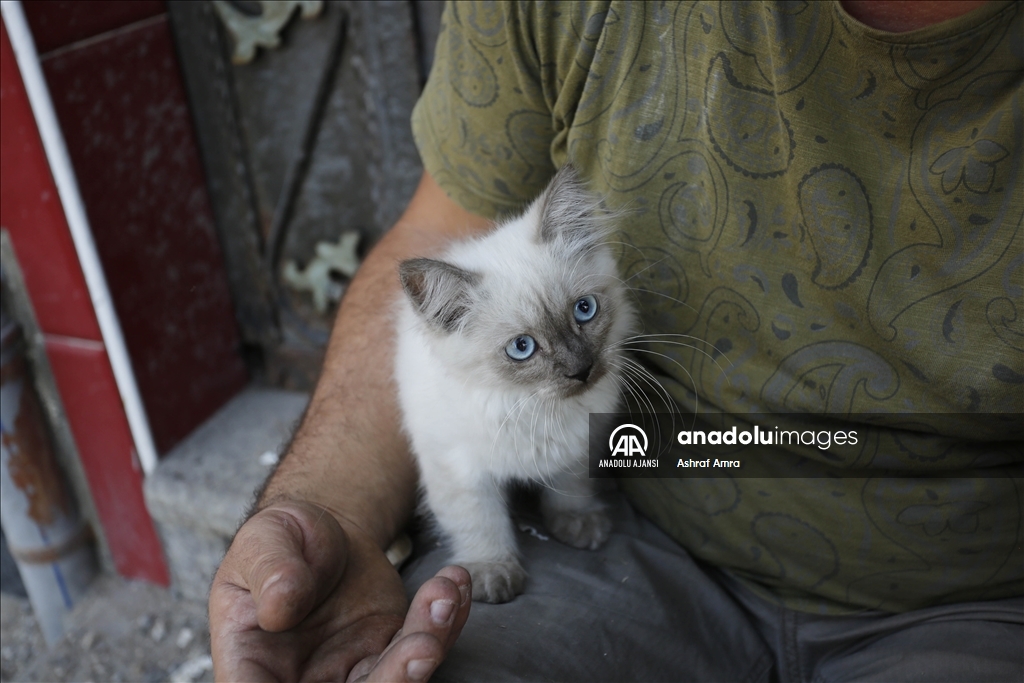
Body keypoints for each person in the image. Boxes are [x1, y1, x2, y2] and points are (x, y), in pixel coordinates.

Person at [209, 1, 1023, 681]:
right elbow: (439, 229)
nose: (573, 359)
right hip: (654, 532)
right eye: (531, 348)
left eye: (585, 320)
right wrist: (329, 513)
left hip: (967, 593)